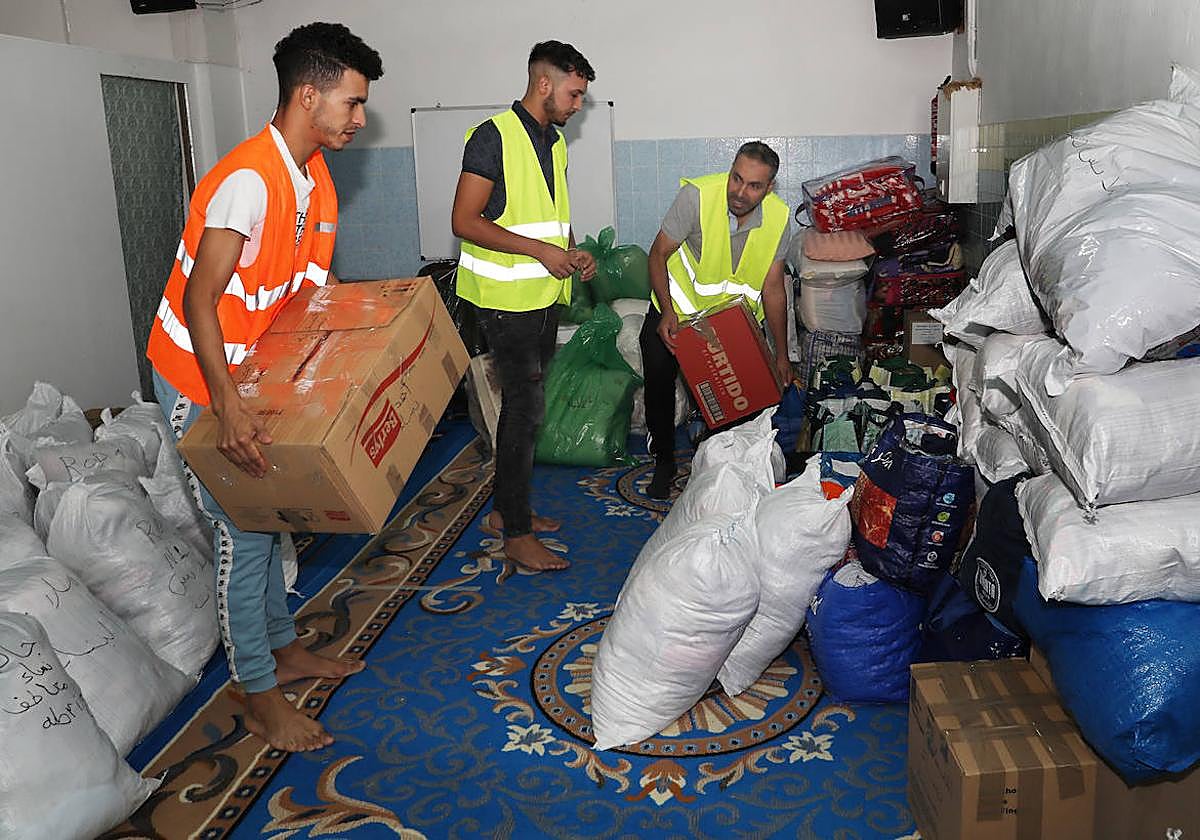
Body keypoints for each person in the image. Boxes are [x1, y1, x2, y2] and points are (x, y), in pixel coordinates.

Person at [145, 22, 383, 752]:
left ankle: (281, 652)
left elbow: (311, 291)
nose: (360, 117)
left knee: (270, 518)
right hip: (199, 375)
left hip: (251, 372)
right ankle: (257, 694)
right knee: (242, 535)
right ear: (307, 95)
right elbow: (200, 298)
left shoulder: (315, 180)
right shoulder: (249, 179)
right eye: (351, 101)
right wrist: (226, 405)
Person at [452, 40, 597, 573]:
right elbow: (464, 221)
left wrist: (573, 248)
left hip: (542, 296)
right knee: (525, 412)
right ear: (544, 84)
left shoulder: (553, 142)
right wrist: (542, 251)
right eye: (574, 92)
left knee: (523, 413)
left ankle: (506, 510)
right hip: (503, 302)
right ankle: (514, 533)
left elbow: (548, 216)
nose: (578, 104)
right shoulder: (492, 137)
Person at [639, 142, 793, 499]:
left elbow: (773, 289)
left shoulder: (779, 218)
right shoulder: (697, 197)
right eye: (736, 178)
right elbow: (658, 254)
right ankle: (664, 460)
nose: (739, 192)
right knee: (659, 383)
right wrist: (666, 311)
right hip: (673, 310)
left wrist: (780, 354)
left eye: (753, 185)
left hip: (729, 324)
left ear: (769, 188)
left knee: (729, 399)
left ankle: (711, 461)